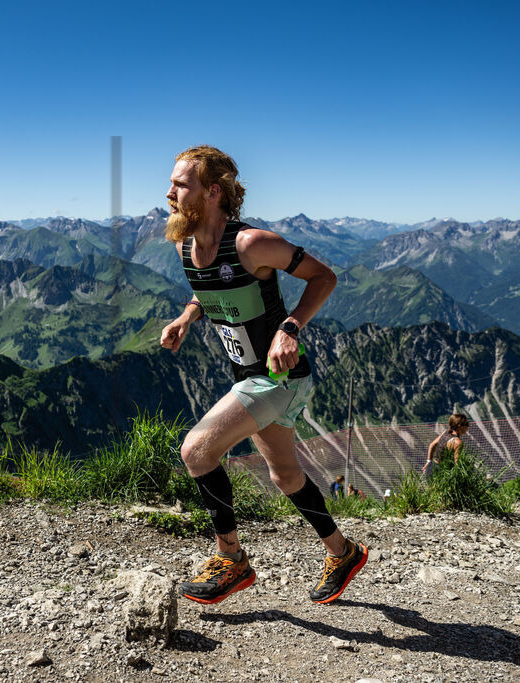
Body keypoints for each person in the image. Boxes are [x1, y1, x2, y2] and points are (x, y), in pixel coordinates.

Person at [159, 145, 367, 605]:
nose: (169, 192)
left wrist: (289, 328)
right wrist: (187, 317)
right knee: (286, 477)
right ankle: (344, 552)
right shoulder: (185, 245)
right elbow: (210, 290)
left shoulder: (252, 243)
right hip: (250, 376)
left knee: (196, 451)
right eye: (171, 183)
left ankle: (231, 559)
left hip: (278, 378)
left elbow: (324, 278)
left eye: (180, 184)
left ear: (212, 192)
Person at [423, 413, 470, 477]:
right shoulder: (457, 442)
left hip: (431, 467)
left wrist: (428, 461)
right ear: (459, 426)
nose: (468, 426)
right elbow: (458, 464)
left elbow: (432, 445)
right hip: (441, 472)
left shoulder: (446, 432)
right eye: (466, 424)